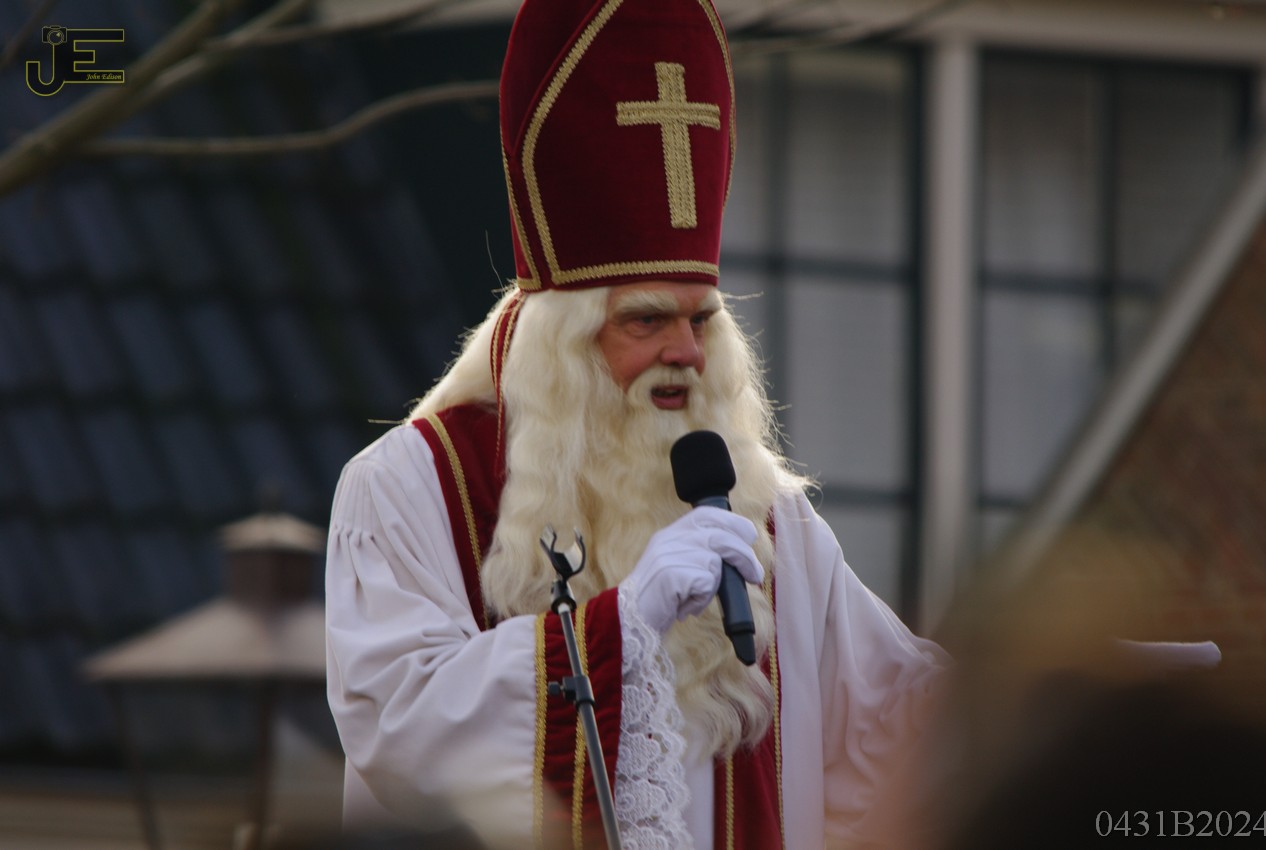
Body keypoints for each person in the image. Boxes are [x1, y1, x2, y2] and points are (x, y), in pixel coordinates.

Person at [324, 1, 949, 847]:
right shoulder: (409, 488)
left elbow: (888, 718)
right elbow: (403, 733)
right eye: (646, 320)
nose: (685, 352)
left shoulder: (764, 518)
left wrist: (1071, 698)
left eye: (702, 321)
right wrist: (620, 631)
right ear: (561, 349)